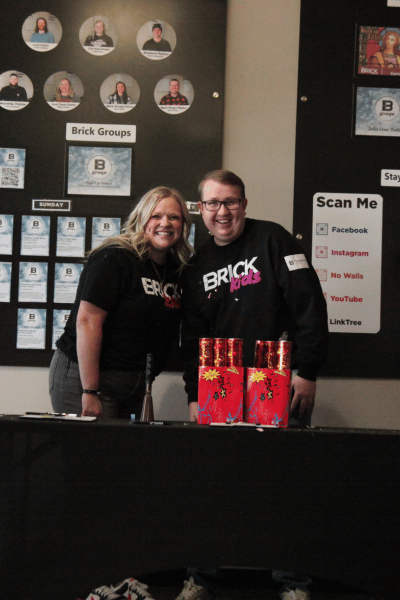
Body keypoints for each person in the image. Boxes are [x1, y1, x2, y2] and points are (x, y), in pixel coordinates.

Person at [180, 170, 329, 600]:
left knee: (284, 485)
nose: (222, 212)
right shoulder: (196, 266)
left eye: (230, 202)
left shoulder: (274, 240)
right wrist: (193, 394)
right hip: (218, 378)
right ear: (201, 211)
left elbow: (309, 305)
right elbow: (192, 340)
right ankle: (200, 578)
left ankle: (294, 584)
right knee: (211, 487)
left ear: (244, 205)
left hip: (275, 373)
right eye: (212, 204)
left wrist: (309, 370)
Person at [49, 187, 192, 419]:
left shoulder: (176, 269)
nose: (165, 223)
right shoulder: (116, 257)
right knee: (90, 453)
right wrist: (90, 390)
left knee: (124, 454)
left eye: (174, 217)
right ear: (141, 219)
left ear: (183, 225)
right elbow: (87, 321)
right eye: (156, 216)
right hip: (87, 379)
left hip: (135, 384)